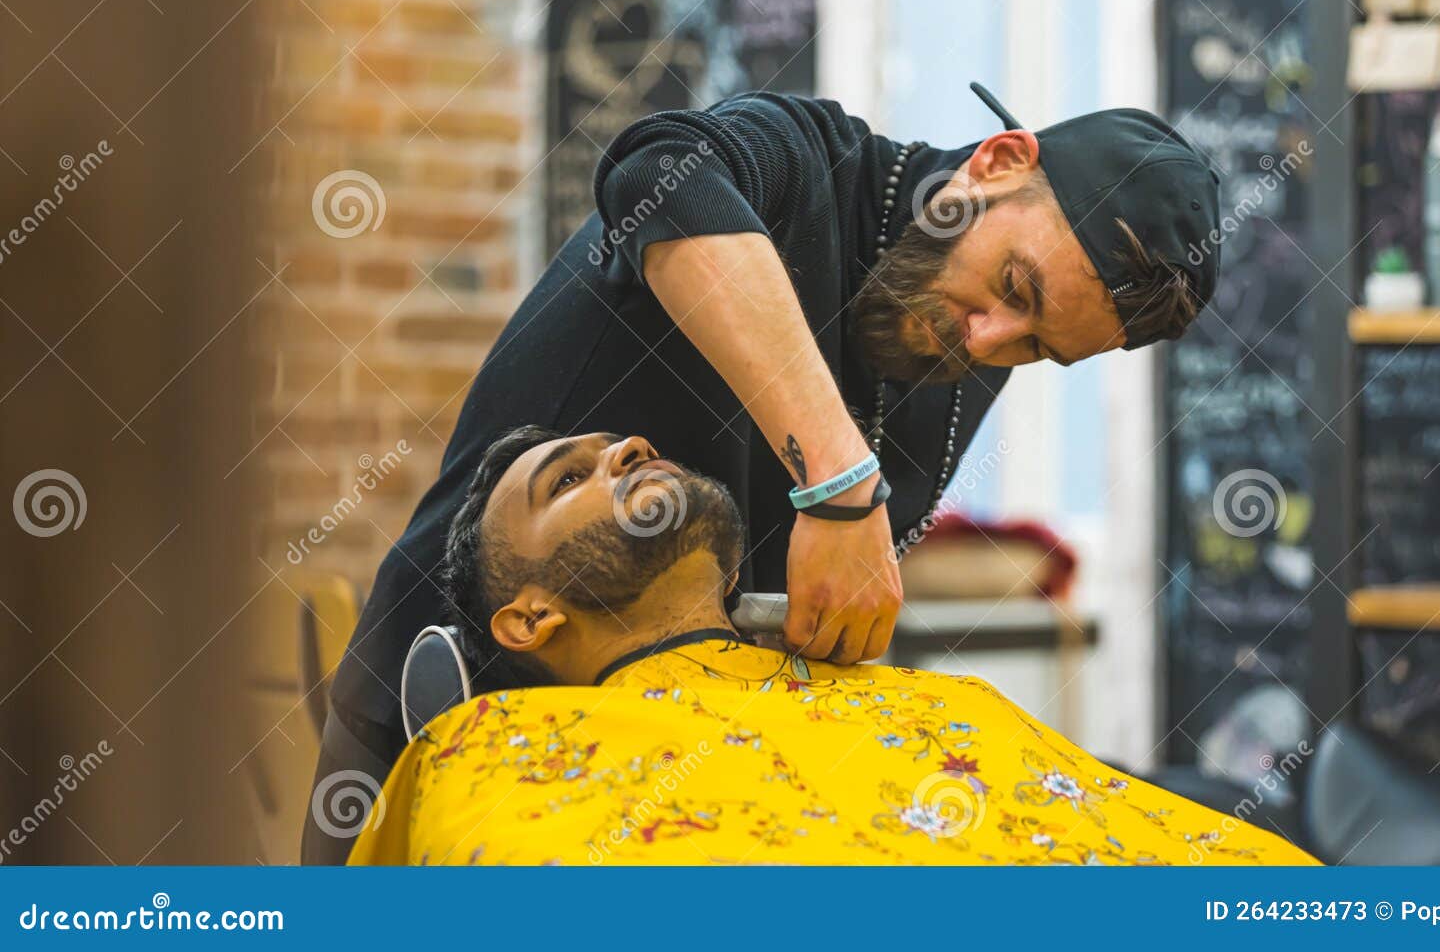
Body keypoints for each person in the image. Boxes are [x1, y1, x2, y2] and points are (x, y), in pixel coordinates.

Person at [309, 83, 1222, 862]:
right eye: (1014, 290)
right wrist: (838, 480)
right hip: (457, 705)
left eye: (1038, 347)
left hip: (699, 793)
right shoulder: (809, 166)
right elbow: (653, 170)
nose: (987, 342)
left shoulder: (966, 340)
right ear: (995, 163)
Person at [340, 427, 1312, 867]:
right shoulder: (488, 750)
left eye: (618, 445)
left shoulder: (938, 707)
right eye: (569, 479)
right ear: (527, 619)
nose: (626, 448)